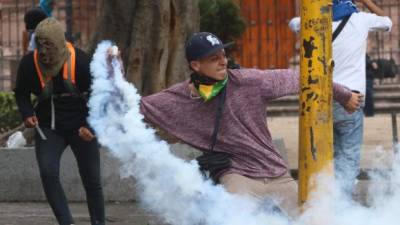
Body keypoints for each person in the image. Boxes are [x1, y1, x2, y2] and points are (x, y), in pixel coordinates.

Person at [138, 32, 362, 217]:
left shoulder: (249, 82)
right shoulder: (179, 98)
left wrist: (343, 94)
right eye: (213, 58)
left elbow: (302, 77)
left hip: (275, 172)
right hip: (237, 175)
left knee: (315, 219)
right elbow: (134, 107)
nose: (223, 61)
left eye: (223, 55)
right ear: (195, 65)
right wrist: (111, 70)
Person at [289, 0, 392, 196]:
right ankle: (341, 206)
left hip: (318, 98)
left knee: (323, 155)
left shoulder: (312, 20)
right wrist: (366, 2)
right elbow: (388, 22)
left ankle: (320, 202)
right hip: (350, 100)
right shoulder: (361, 20)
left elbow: (293, 23)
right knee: (348, 157)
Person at [14, 18, 105, 225]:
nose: (45, 55)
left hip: (81, 126)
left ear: (61, 44)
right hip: (49, 127)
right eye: (41, 47)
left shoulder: (81, 62)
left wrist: (91, 126)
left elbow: (100, 97)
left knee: (92, 178)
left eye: (50, 48)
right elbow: (21, 93)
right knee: (48, 171)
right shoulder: (28, 64)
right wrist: (27, 113)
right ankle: (66, 222)